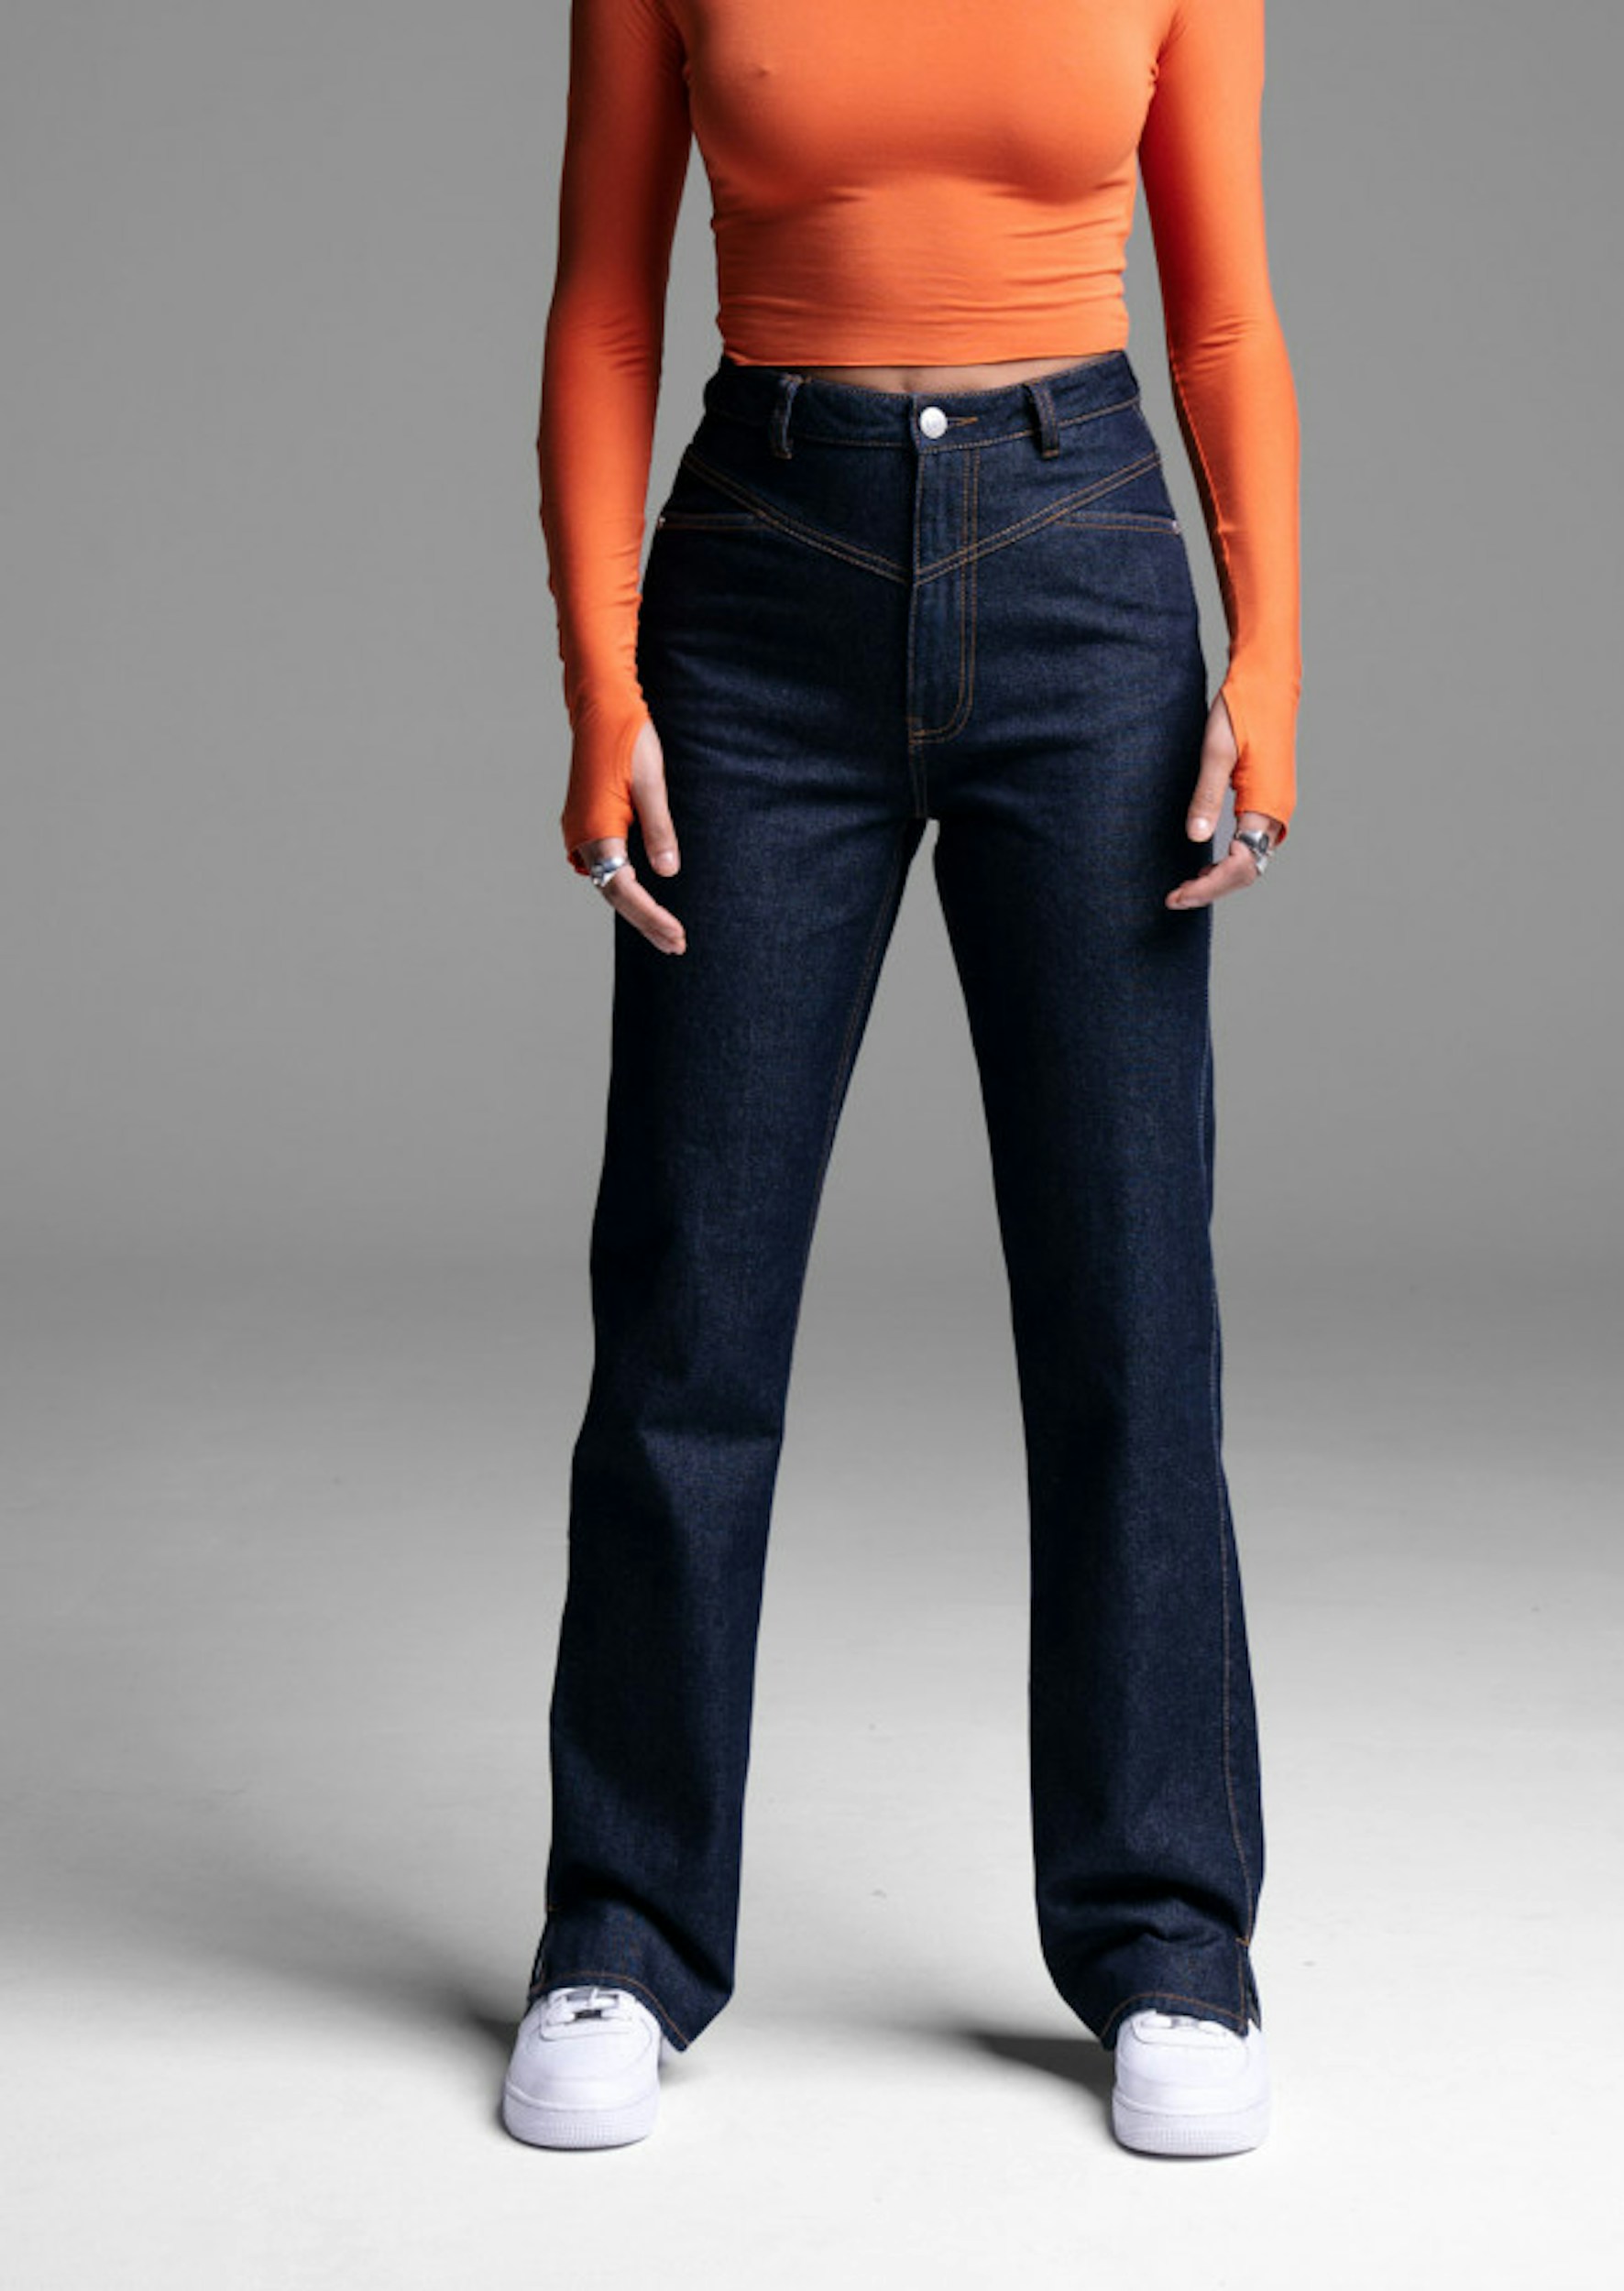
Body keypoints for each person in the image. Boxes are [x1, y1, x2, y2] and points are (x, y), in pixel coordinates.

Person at [500, 0, 1302, 2159]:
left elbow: (1224, 311)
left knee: (1129, 1300)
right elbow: (603, 306)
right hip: (760, 584)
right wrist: (600, 682)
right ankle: (620, 1923)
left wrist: (1272, 663)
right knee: (689, 1293)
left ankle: (1168, 1938)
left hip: (1082, 570)